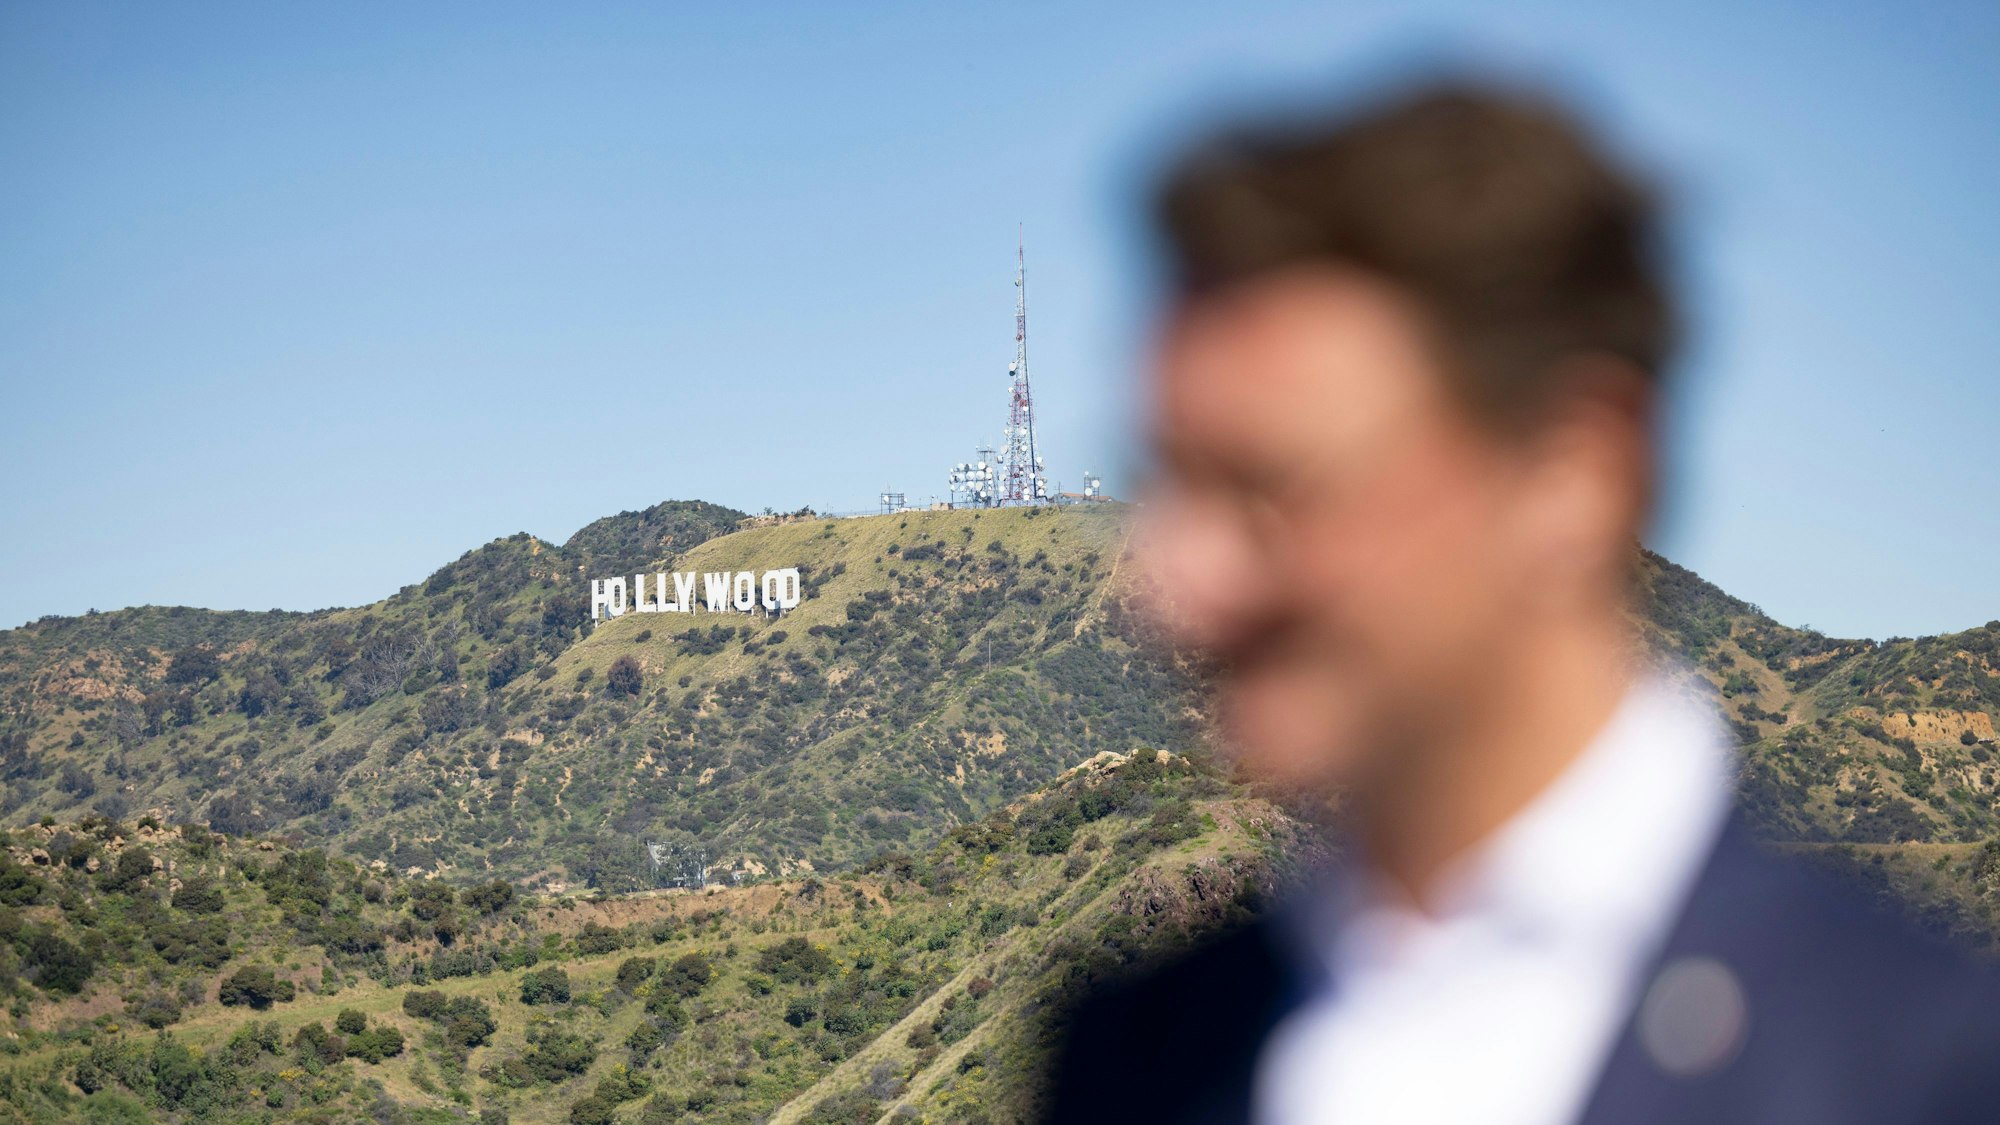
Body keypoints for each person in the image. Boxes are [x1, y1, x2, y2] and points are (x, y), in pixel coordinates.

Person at [1046, 82, 2000, 1125]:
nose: (1177, 584)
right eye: (1169, 484)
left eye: (1271, 486)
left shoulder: (1923, 1066)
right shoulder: (1128, 1053)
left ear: (1571, 473)